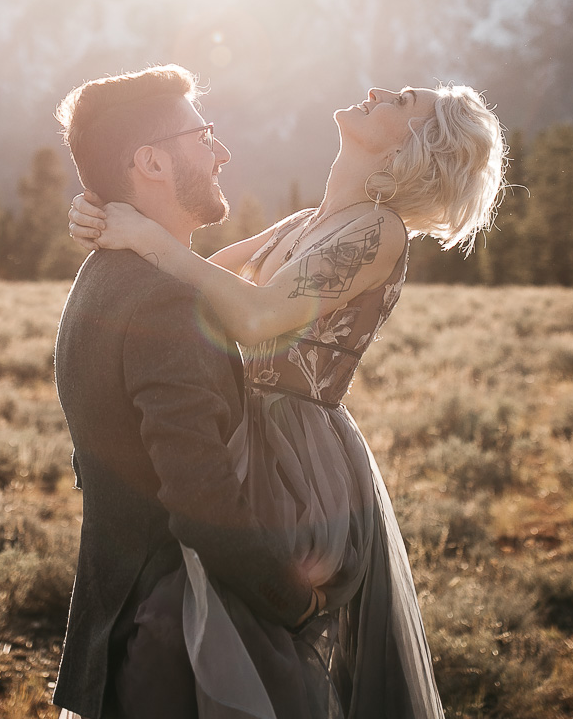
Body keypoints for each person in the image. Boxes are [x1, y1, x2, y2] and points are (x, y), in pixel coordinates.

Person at [69, 79, 506, 719]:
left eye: (404, 101)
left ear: (414, 144)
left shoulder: (379, 231)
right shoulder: (308, 223)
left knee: (246, 613)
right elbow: (200, 274)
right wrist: (107, 218)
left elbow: (257, 316)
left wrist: (142, 234)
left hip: (298, 455)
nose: (381, 90)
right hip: (254, 428)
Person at [50, 65, 321, 719]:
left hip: (123, 623)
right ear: (152, 163)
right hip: (177, 650)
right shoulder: (163, 303)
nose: (222, 151)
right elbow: (200, 498)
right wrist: (294, 599)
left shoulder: (107, 273)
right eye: (204, 135)